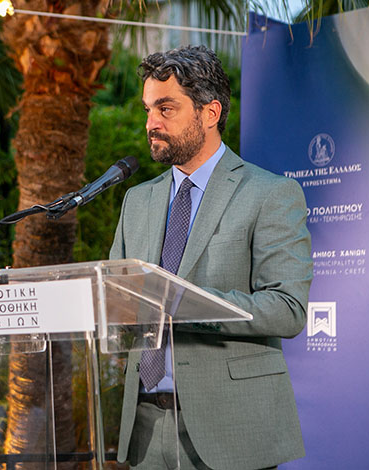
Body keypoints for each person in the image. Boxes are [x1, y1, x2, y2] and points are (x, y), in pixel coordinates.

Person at [109, 45, 313, 470]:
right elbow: (115, 301)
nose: (151, 123)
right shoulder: (137, 201)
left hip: (233, 427)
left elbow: (287, 309)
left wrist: (183, 303)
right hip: (143, 429)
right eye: (148, 109)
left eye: (166, 109)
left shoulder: (270, 194)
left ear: (210, 113)